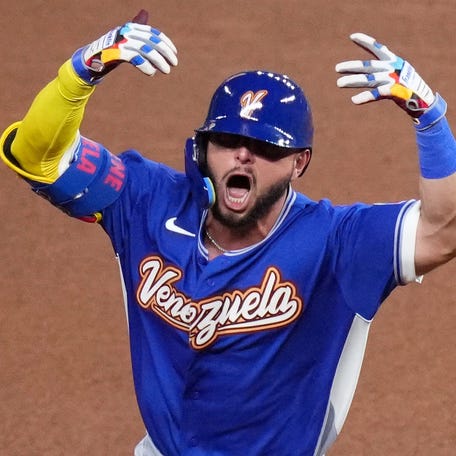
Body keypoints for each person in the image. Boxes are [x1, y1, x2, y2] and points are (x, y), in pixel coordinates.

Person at [1, 8, 455, 456]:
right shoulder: (145, 201)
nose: (242, 155)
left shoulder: (338, 243)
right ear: (202, 147)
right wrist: (81, 72)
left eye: (264, 147)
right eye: (227, 140)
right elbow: (38, 156)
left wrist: (430, 119)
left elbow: (444, 232)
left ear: (300, 162)